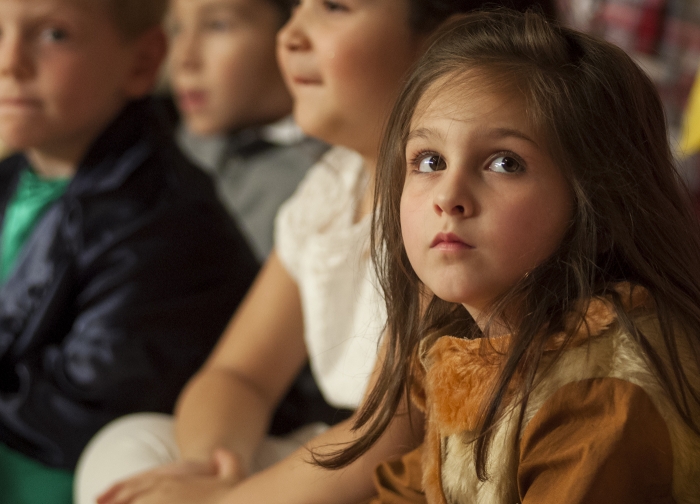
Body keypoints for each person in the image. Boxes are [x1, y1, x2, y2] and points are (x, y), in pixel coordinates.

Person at [81, 2, 556, 504]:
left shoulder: (447, 213)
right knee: (127, 444)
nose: (290, 35)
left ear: (444, 42)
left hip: (404, 477)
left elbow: (388, 439)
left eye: (333, 6)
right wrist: (213, 466)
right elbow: (239, 374)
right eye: (296, 7)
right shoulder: (333, 186)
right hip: (332, 455)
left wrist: (221, 502)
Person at [323, 9, 700, 503]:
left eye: (505, 163)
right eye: (429, 161)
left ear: (600, 205)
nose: (448, 195)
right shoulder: (457, 341)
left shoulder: (602, 392)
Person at [0, 0, 259, 503]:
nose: (9, 60)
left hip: (65, 461)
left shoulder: (164, 217)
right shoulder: (15, 175)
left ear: (142, 63)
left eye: (54, 35)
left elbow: (85, 406)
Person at [167, 0, 328, 261]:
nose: (184, 58)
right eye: (176, 28)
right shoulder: (184, 141)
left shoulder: (321, 177)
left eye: (217, 25)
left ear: (291, 32)